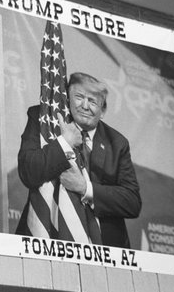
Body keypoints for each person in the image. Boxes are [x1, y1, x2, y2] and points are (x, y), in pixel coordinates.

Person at [16, 72, 141, 247]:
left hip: (102, 248)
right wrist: (64, 143)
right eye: (79, 97)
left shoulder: (117, 143)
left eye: (92, 101)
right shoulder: (42, 118)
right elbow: (28, 172)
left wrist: (85, 188)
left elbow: (132, 202)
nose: (84, 106)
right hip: (46, 238)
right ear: (66, 99)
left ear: (103, 111)